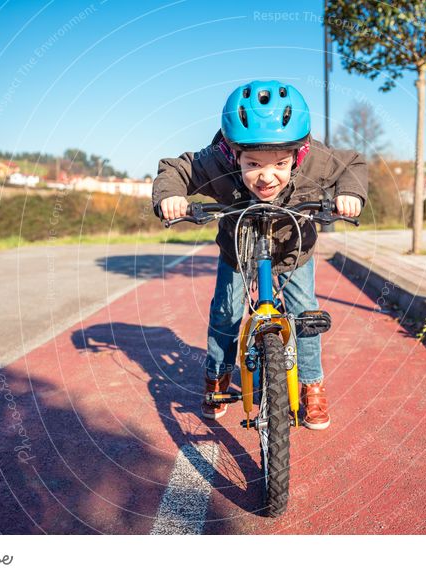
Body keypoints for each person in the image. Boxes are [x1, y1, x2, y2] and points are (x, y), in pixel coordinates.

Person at [152, 80, 367, 430]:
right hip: (239, 243)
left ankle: (311, 384)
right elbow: (176, 169)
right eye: (253, 164)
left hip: (293, 246)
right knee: (225, 310)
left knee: (304, 313)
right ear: (233, 153)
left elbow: (352, 166)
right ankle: (218, 375)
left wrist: (350, 194)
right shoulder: (214, 161)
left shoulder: (316, 160)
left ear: (298, 154)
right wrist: (170, 197)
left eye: (280, 164)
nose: (267, 177)